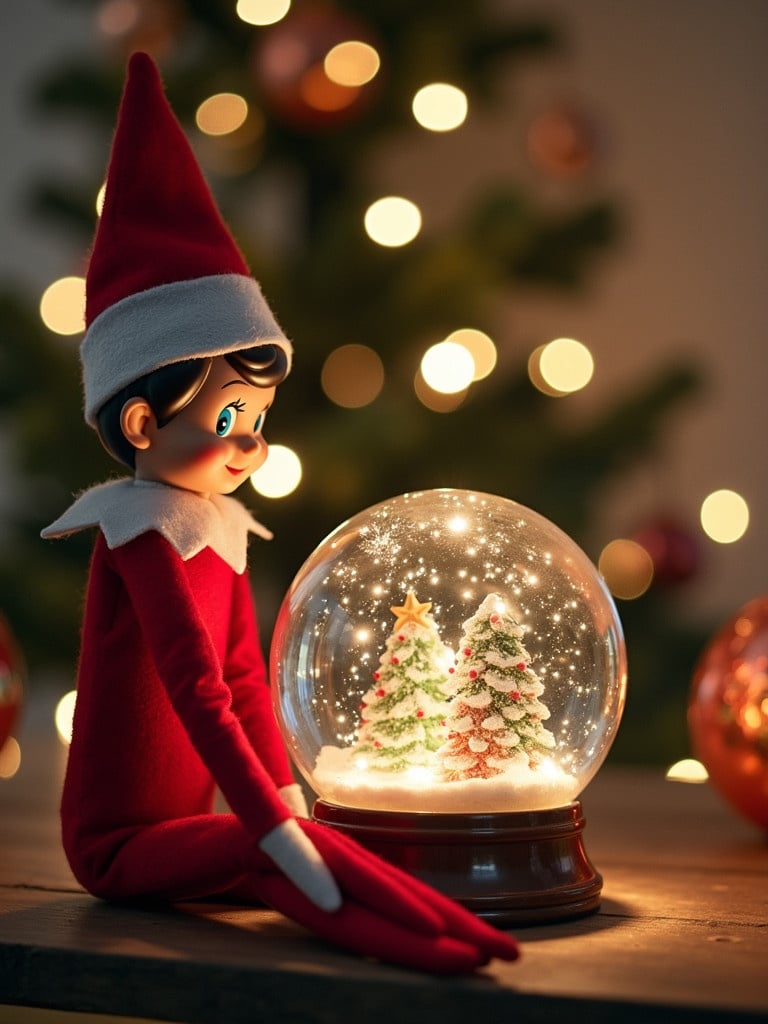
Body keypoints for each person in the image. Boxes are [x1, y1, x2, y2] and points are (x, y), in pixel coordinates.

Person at [42, 52, 519, 975]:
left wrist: (288, 805)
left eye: (257, 421)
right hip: (121, 848)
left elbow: (247, 681)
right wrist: (271, 824)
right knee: (278, 861)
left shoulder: (217, 528)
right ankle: (445, 954)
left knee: (304, 848)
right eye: (228, 419)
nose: (250, 444)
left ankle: (471, 939)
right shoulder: (142, 530)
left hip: (205, 818)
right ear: (142, 420)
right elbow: (195, 688)